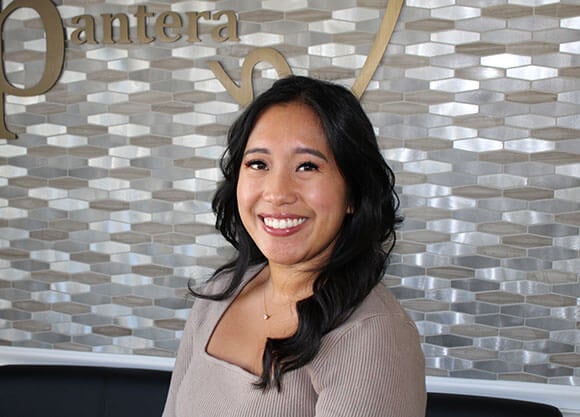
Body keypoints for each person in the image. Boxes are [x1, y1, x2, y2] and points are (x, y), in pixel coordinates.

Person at [161, 76, 426, 417]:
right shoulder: (218, 295)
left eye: (307, 166)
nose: (277, 193)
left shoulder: (373, 336)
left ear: (353, 194)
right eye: (259, 164)